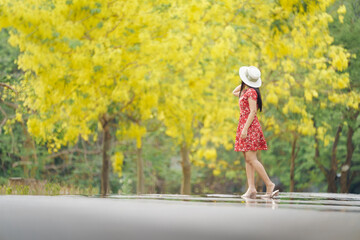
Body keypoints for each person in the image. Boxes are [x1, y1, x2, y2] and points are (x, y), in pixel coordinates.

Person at [232, 66, 279, 199]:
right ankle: (251, 188)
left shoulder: (251, 92)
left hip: (250, 127)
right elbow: (234, 92)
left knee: (252, 158)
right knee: (247, 159)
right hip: (244, 126)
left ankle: (269, 184)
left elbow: (253, 111)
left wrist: (245, 129)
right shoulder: (246, 92)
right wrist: (246, 80)